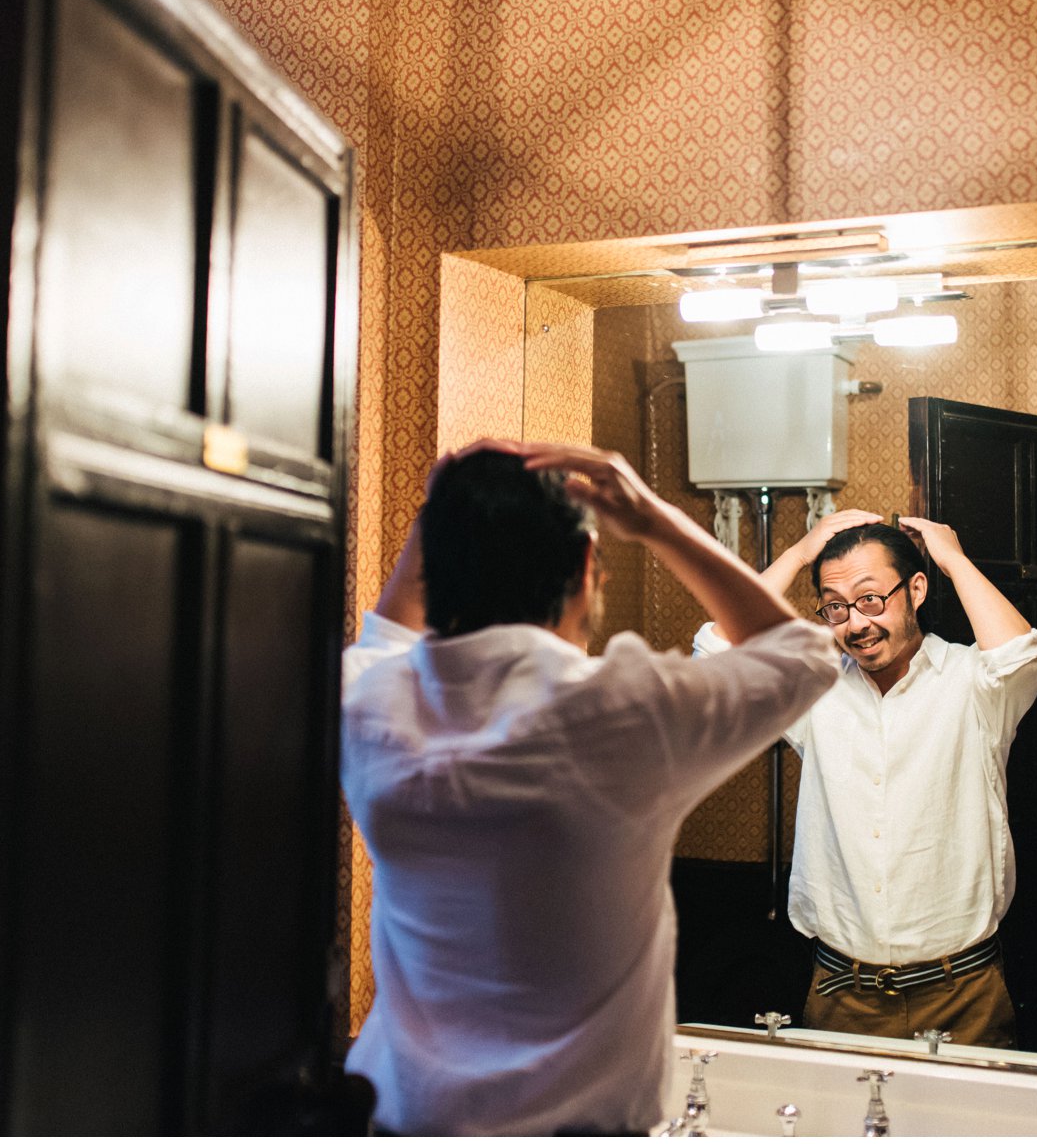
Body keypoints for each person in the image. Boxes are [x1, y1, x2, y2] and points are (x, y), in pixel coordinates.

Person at [339, 441, 839, 1136]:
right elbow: (805, 656)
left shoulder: (368, 704)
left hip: (402, 1120)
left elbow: (386, 636)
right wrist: (656, 519)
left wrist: (449, 515)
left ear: (438, 566)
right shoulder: (622, 713)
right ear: (585, 567)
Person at [693, 509, 1037, 1047]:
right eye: (836, 607)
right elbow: (716, 655)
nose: (856, 623)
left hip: (963, 994)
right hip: (842, 994)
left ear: (916, 589)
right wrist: (797, 554)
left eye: (870, 599)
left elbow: (1021, 657)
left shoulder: (974, 683)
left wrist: (953, 558)